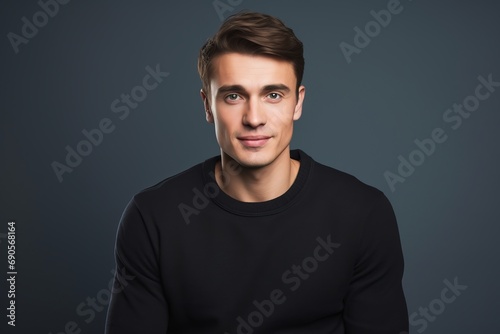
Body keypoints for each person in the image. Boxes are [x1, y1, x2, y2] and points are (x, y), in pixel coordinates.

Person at [105, 11, 408, 334]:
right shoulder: (153, 217)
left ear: (298, 103)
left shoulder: (362, 213)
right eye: (233, 96)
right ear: (208, 106)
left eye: (273, 95)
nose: (254, 117)